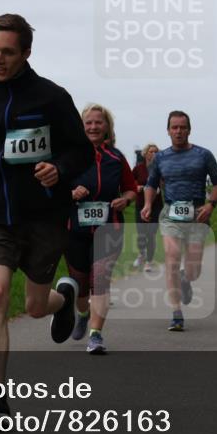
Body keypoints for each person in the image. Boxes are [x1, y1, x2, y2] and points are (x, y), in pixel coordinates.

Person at [0, 14, 92, 416]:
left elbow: (80, 151)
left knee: (32, 306)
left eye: (7, 52)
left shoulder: (52, 97)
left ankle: (62, 300)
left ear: (26, 52)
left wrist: (59, 169)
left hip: (43, 214)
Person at [141, 111, 217, 331]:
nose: (178, 131)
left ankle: (186, 280)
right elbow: (151, 184)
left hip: (197, 215)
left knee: (193, 270)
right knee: (172, 256)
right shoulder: (160, 157)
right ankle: (176, 313)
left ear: (189, 129)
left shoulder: (203, 155)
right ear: (168, 130)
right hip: (171, 214)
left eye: (182, 127)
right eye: (174, 127)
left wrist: (210, 205)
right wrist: (148, 204)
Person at [66, 104, 138, 354]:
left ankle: (96, 335)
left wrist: (126, 199)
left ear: (107, 127)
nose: (94, 127)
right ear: (81, 126)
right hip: (74, 228)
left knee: (101, 279)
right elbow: (51, 188)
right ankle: (83, 314)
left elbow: (131, 187)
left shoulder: (116, 158)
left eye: (99, 122)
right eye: (89, 122)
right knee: (80, 284)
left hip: (110, 227)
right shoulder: (69, 156)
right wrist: (71, 193)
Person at [132, 143, 163, 271]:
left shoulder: (160, 168)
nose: (154, 154)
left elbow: (164, 183)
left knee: (151, 234)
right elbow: (129, 183)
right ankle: (141, 254)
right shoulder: (138, 168)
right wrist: (137, 187)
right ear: (145, 153)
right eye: (151, 151)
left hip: (156, 206)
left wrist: (160, 187)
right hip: (140, 204)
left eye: (156, 152)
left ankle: (149, 262)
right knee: (141, 234)